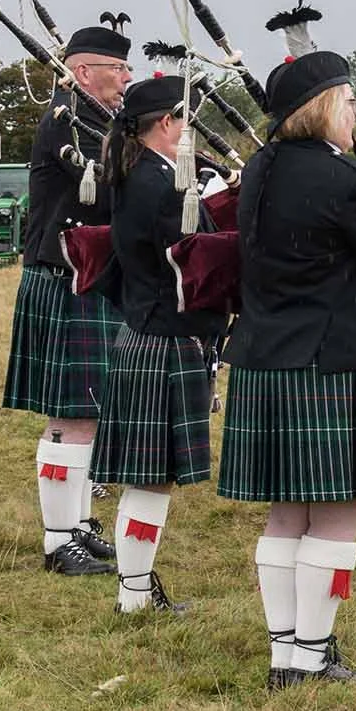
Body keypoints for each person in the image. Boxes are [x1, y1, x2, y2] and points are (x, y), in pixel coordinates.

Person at [220, 17, 356, 686]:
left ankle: (286, 653)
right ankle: (312, 655)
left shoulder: (257, 170)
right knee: (339, 512)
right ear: (329, 105)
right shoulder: (351, 182)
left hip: (263, 352)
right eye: (351, 98)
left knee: (286, 512)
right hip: (333, 358)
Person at [87, 75, 224, 618]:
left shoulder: (134, 172)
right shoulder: (160, 182)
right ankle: (135, 597)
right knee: (151, 479)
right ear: (166, 123)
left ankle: (135, 592)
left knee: (149, 478)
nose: (188, 129)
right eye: (184, 120)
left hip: (143, 334)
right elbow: (195, 255)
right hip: (164, 338)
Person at [4, 16, 132, 578]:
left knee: (87, 411)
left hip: (88, 274)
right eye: (117, 68)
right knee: (73, 412)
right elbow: (107, 183)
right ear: (84, 71)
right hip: (65, 274)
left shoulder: (97, 118)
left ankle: (77, 525)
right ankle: (59, 544)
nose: (126, 77)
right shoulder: (66, 121)